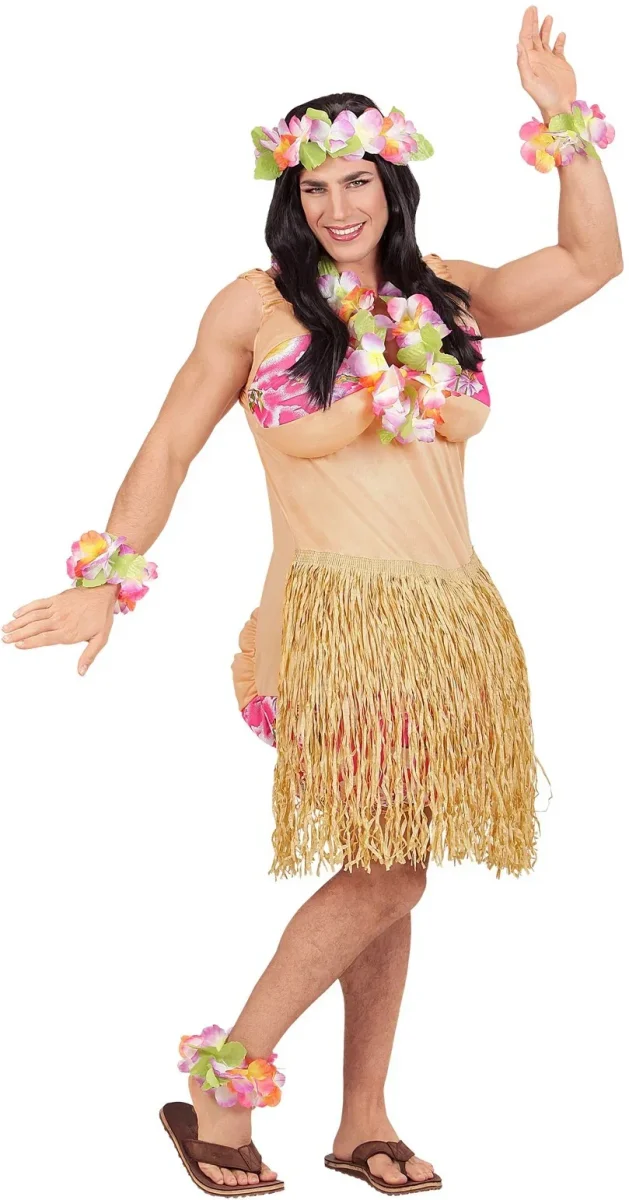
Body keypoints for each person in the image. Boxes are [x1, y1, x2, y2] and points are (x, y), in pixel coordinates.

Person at [2, 9, 622, 1197]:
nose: (338, 206)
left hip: (446, 623)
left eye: (357, 181)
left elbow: (590, 263)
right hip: (328, 626)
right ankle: (223, 1091)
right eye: (315, 186)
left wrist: (560, 119)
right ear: (290, 195)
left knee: (389, 862)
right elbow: (171, 443)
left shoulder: (447, 294)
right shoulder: (257, 307)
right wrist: (102, 582)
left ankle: (361, 1117)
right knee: (390, 873)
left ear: (391, 184)